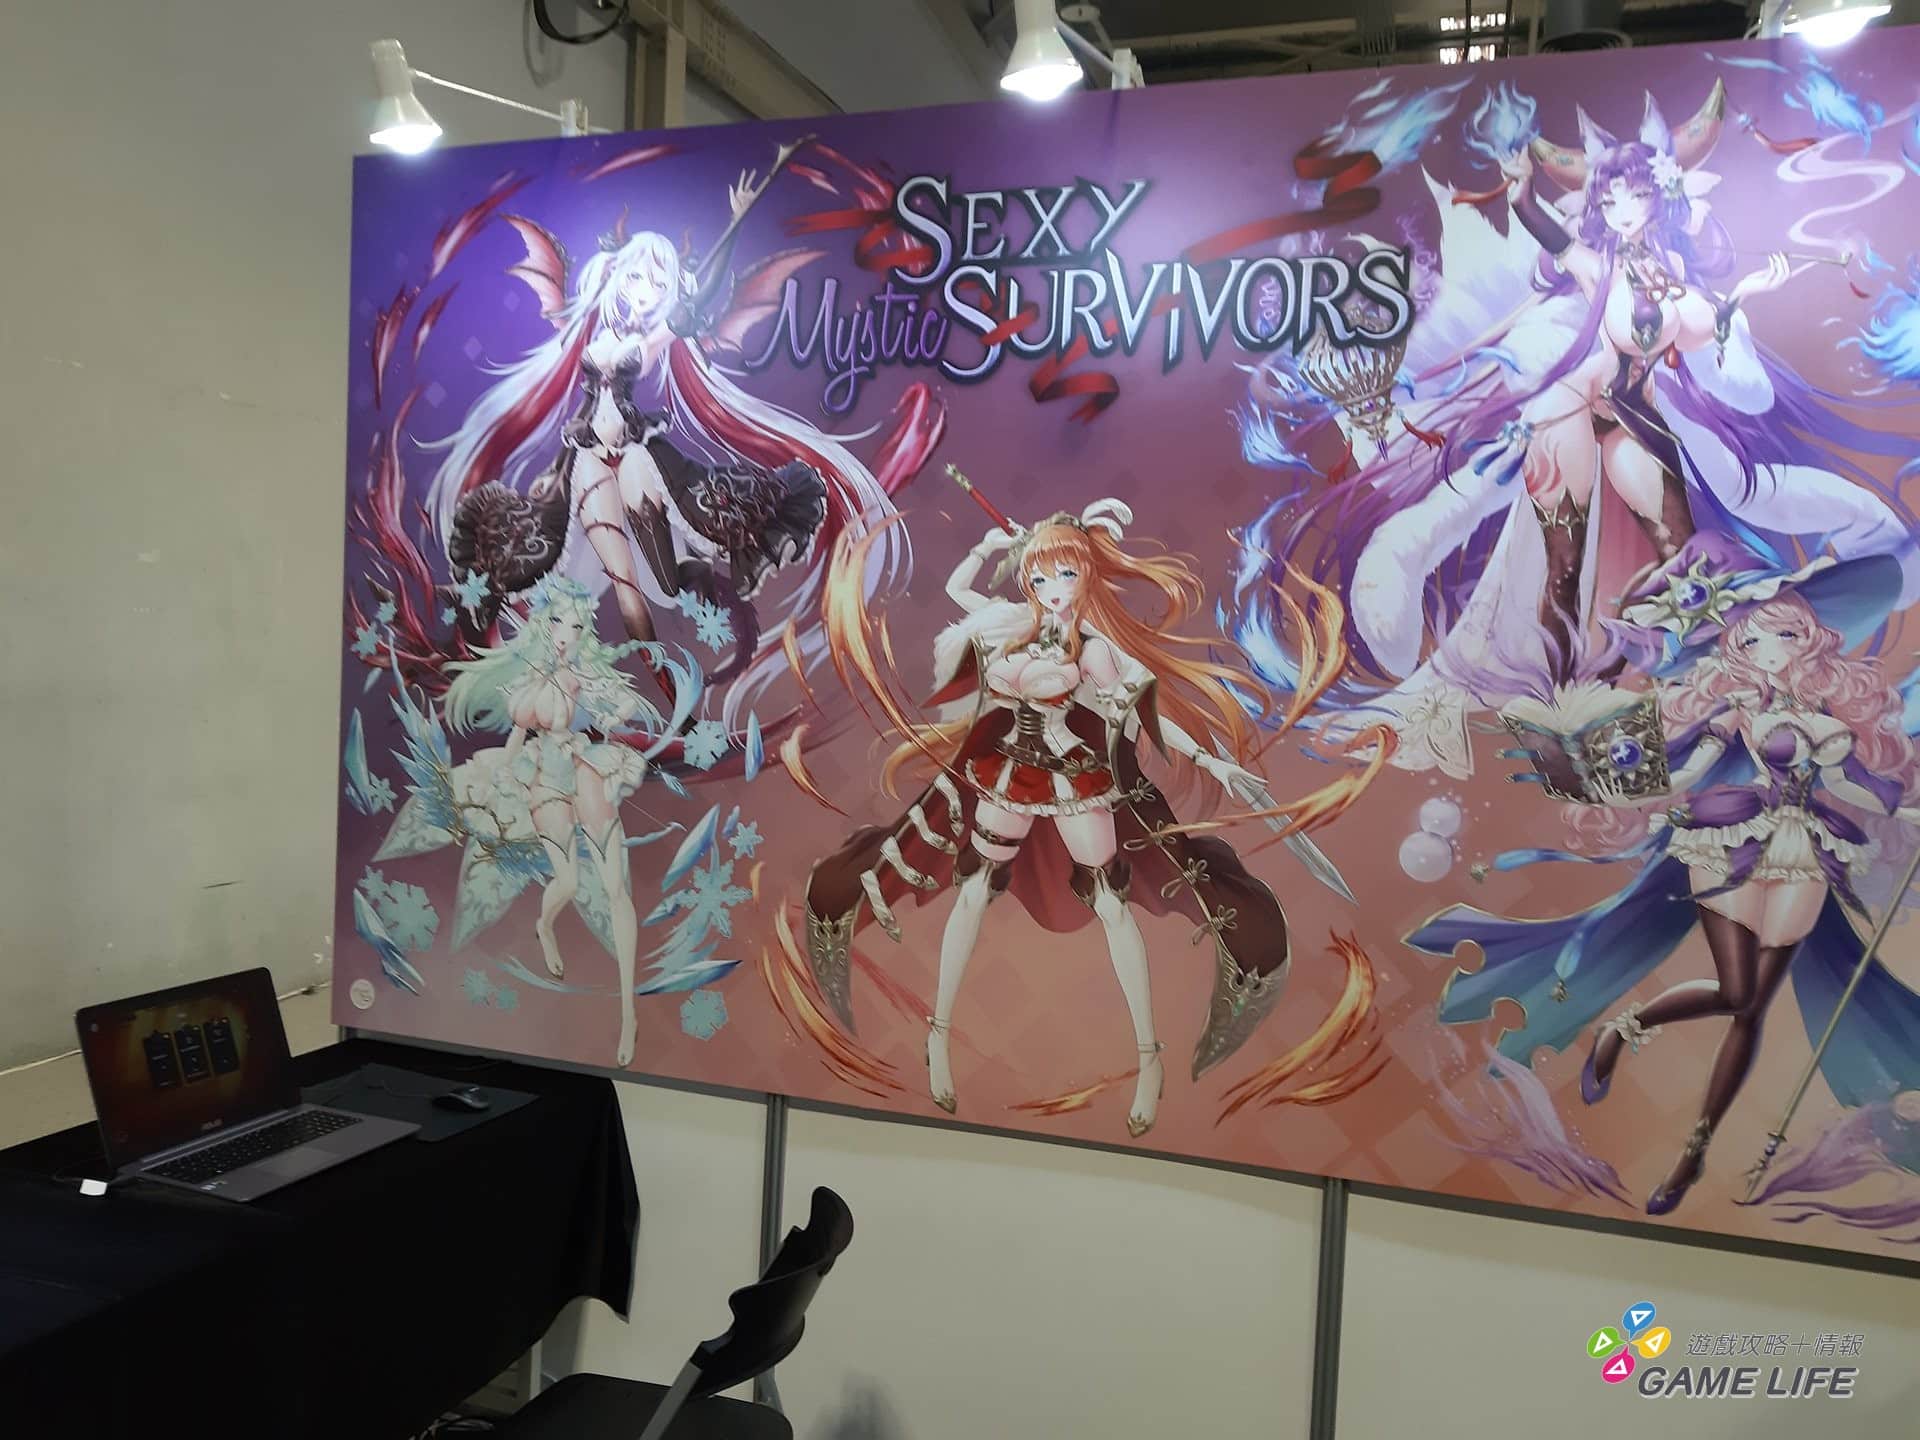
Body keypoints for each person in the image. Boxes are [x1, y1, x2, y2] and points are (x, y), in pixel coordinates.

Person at [804, 503, 1297, 1137]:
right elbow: (959, 593)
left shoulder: (1094, 651)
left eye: (1064, 574)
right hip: (1009, 772)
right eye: (1039, 578)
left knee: (1112, 906)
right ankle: (939, 1036)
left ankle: (1149, 1059)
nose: (1051, 589)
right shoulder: (1012, 629)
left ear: (1085, 575)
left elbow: (1132, 713)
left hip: (1072, 777)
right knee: (972, 892)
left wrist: (1209, 761)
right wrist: (985, 548)